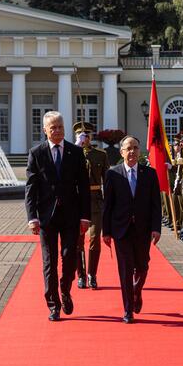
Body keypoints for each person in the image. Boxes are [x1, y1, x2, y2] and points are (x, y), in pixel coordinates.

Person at [25, 111, 90, 321]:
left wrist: (85, 216)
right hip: (46, 217)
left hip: (71, 215)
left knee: (70, 257)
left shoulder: (75, 152)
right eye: (53, 127)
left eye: (60, 126)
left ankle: (65, 288)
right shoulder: (37, 153)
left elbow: (84, 187)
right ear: (45, 130)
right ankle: (53, 304)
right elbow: (31, 188)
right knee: (49, 261)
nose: (57, 130)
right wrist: (32, 217)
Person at [101, 135, 162, 324]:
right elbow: (107, 205)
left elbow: (155, 204)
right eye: (128, 148)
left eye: (135, 148)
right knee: (126, 270)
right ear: (122, 152)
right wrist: (106, 231)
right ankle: (128, 310)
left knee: (142, 267)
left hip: (143, 230)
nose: (132, 152)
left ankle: (137, 291)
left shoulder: (149, 174)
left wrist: (156, 228)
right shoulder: (113, 174)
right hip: (121, 230)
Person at [74, 121, 110, 290]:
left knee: (95, 239)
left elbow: (107, 180)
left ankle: (92, 274)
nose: (84, 138)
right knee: (78, 240)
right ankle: (80, 275)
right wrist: (76, 148)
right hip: (78, 201)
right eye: (81, 135)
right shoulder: (71, 153)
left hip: (95, 200)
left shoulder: (100, 155)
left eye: (87, 135)